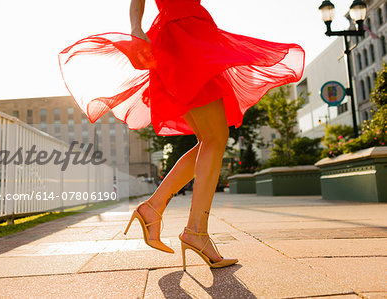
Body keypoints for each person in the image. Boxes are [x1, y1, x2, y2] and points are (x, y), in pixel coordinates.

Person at [59, 0, 305, 270]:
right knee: (215, 137)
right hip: (182, 38)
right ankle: (195, 231)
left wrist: (138, 28)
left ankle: (154, 208)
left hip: (191, 37)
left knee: (209, 139)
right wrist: (135, 28)